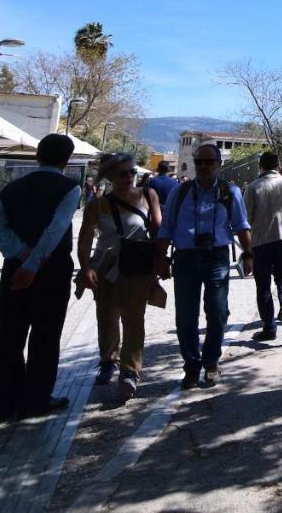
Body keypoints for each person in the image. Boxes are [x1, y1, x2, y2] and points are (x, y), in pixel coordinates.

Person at [0, 133, 79, 421]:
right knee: (45, 335)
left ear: (37, 155)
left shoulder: (11, 188)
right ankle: (36, 399)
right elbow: (56, 228)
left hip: (14, 267)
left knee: (8, 333)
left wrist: (21, 254)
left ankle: (5, 398)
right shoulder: (69, 188)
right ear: (66, 160)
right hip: (51, 270)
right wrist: (35, 261)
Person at [155, 144, 254, 390]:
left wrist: (249, 255)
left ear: (219, 164)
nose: (203, 167)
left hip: (217, 257)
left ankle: (211, 362)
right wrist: (159, 259)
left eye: (209, 162)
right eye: (199, 162)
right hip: (185, 258)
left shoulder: (230, 192)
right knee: (186, 316)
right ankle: (191, 366)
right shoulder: (180, 192)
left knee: (218, 311)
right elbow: (166, 228)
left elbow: (241, 226)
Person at [76, 153, 160, 400]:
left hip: (137, 266)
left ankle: (129, 372)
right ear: (110, 176)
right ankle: (108, 359)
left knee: (134, 319)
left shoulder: (148, 195)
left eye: (132, 172)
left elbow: (157, 230)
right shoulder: (97, 204)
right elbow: (85, 239)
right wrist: (85, 267)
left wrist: (160, 262)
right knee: (107, 316)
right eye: (122, 173)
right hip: (106, 266)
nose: (129, 177)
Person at [243, 152, 282, 341]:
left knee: (263, 286)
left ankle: (269, 328)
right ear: (278, 165)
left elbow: (245, 219)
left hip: (261, 241)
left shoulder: (253, 187)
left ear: (260, 166)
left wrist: (247, 249)